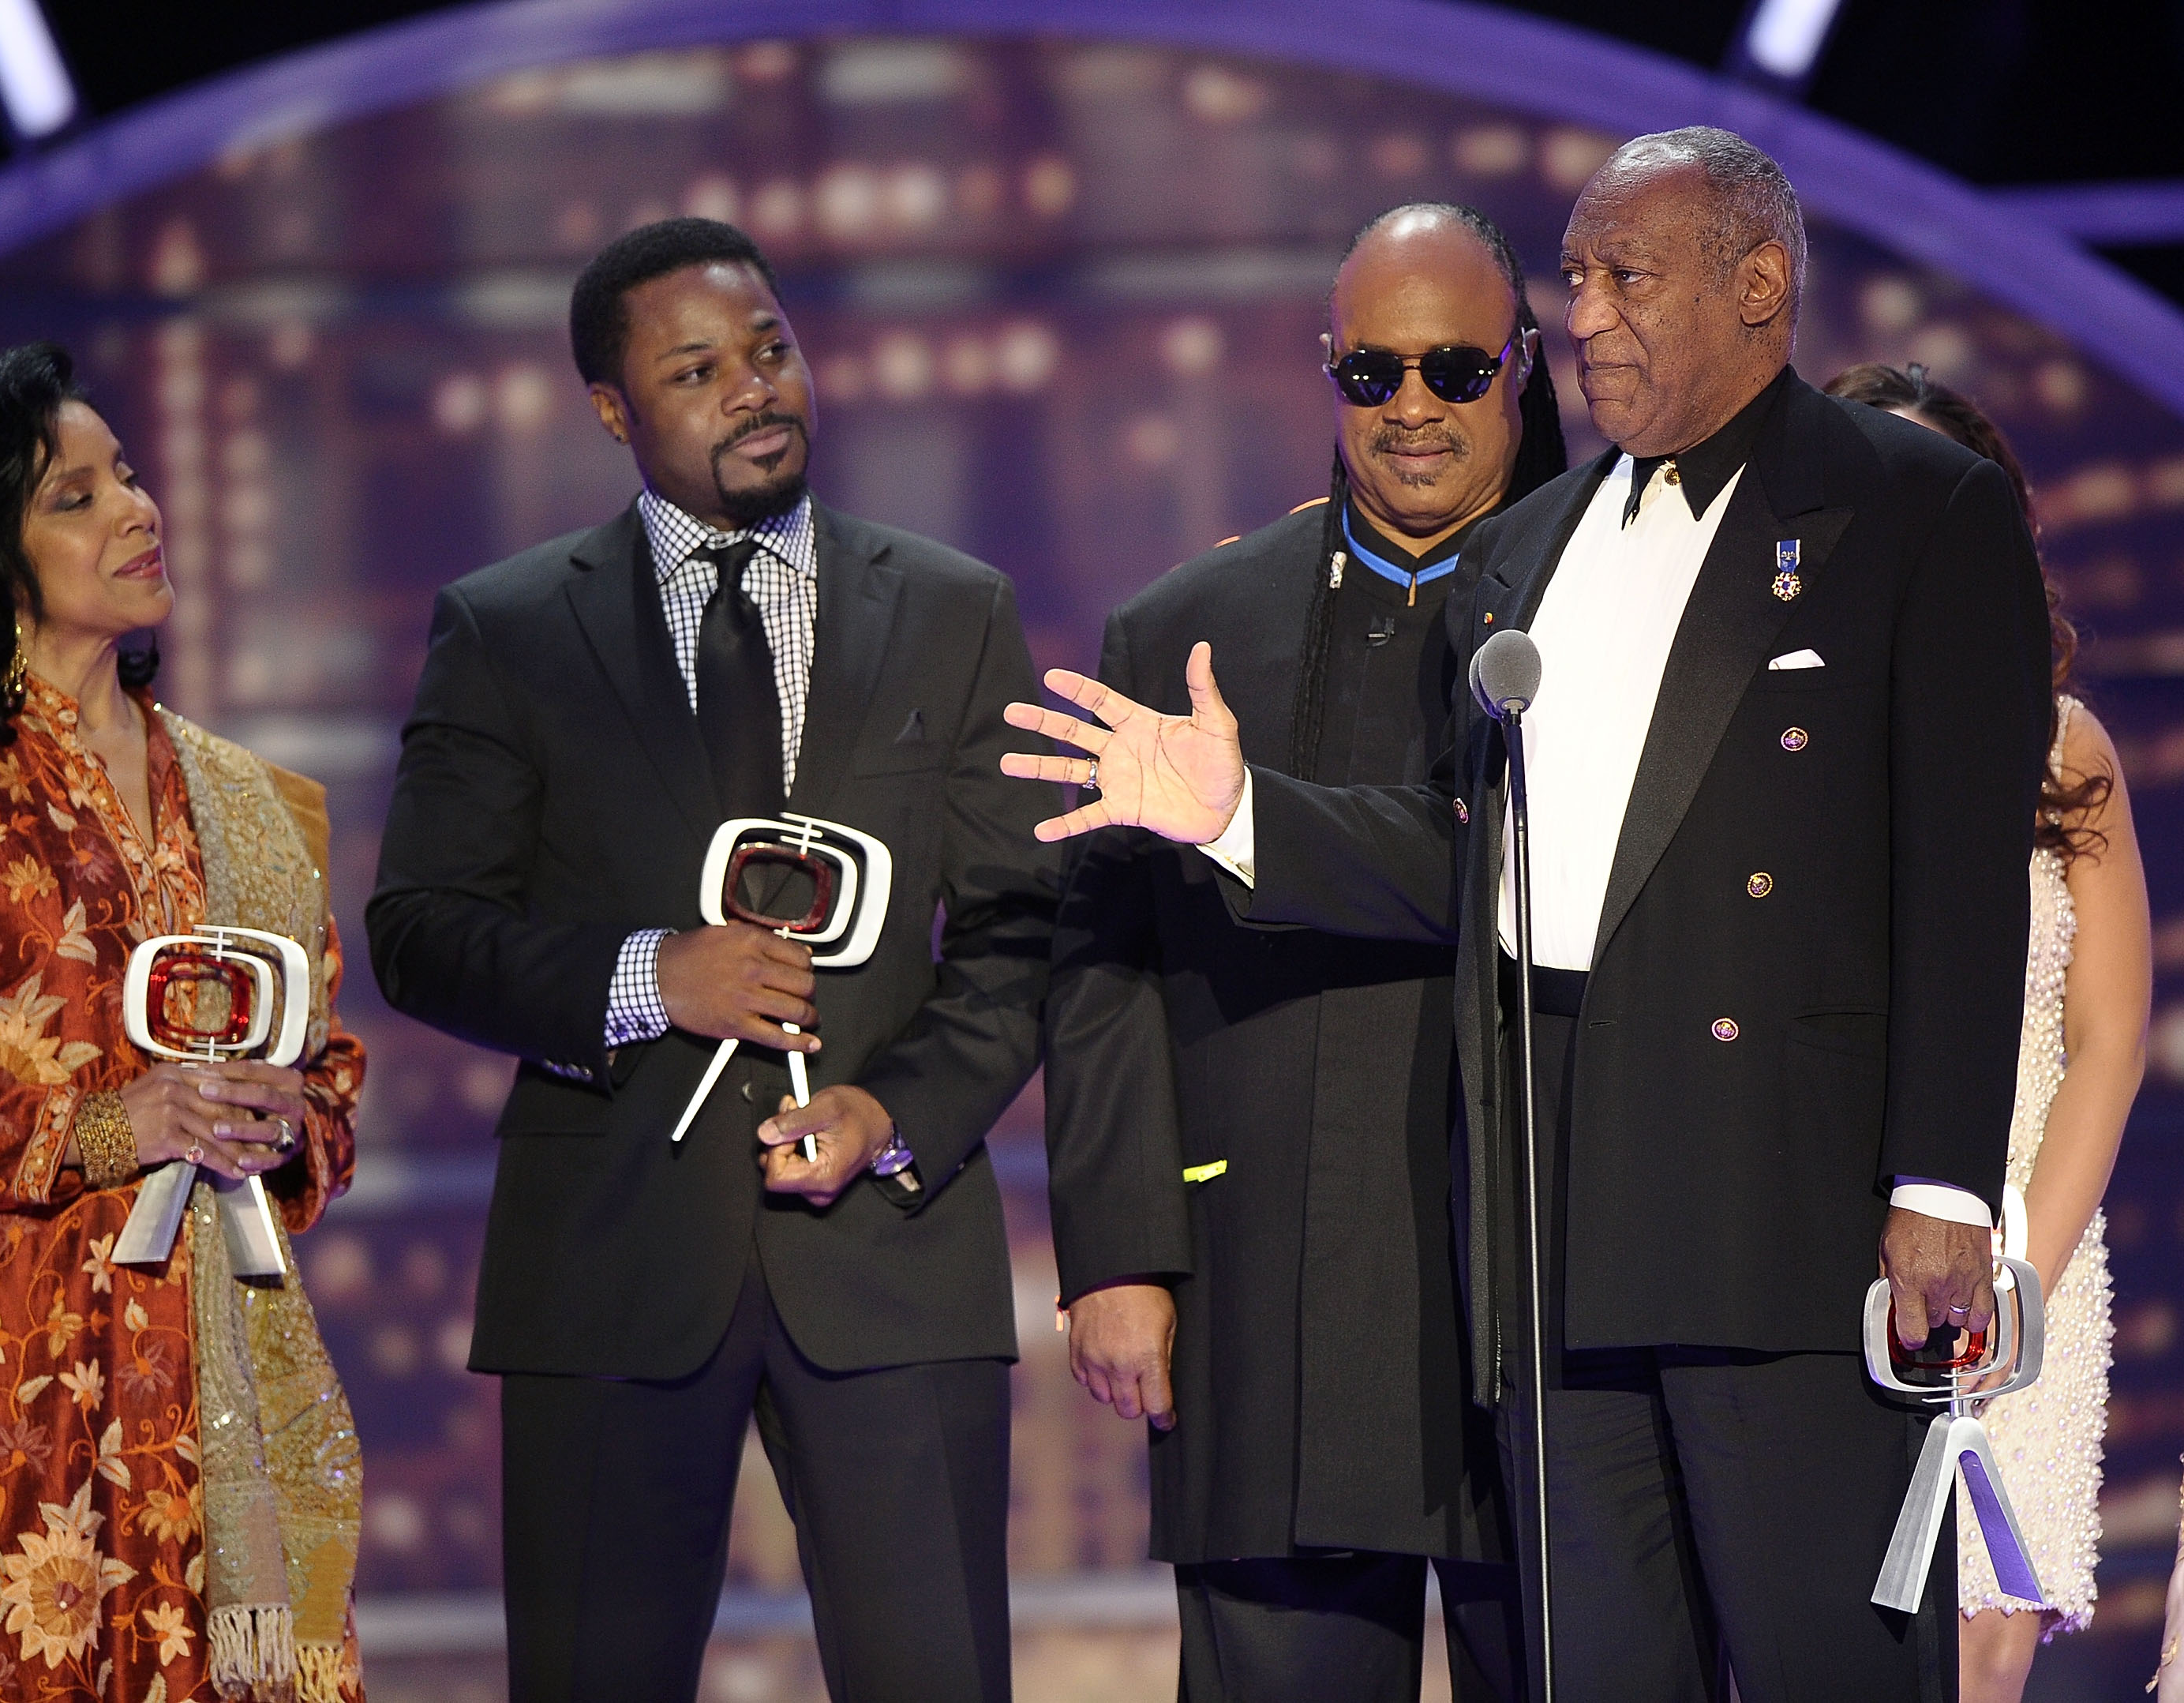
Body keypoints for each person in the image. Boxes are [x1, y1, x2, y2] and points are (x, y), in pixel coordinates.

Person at [1002, 127, 2051, 1702]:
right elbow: (1469, 856)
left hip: (1774, 1216)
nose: (1590, 316)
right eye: (1579, 279)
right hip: (1535, 1245)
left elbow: (1962, 879)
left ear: (1760, 284)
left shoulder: (1908, 505)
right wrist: (1236, 813)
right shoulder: (1524, 552)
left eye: (1628, 278)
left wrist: (1942, 1186)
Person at [366, 217, 1057, 1702]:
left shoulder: (953, 609)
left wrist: (896, 1112)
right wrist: (648, 978)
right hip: (609, 1265)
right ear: (612, 410)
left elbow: (1020, 931)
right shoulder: (510, 629)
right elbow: (420, 931)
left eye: (770, 350)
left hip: (889, 1259)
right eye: (696, 371)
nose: (754, 388)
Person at [1044, 202, 1564, 1703]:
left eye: (1456, 371)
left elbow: (1535, 880)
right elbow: (1102, 964)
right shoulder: (1190, 625)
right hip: (1263, 1291)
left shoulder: (1602, 603)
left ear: (1523, 368)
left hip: (1546, 1295)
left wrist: (1250, 821)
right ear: (1329, 369)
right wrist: (1120, 1253)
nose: (1413, 408)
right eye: (1373, 373)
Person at [0, 343, 366, 1703]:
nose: (137, 507)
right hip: (1, 1408)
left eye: (126, 472)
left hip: (221, 1398)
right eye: (76, 495)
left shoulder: (249, 802)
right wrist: (98, 1127)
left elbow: (330, 1070)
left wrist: (288, 1119)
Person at [1824, 365, 2148, 1698]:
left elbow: (2108, 1041)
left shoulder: (2061, 747)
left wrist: (2017, 1279)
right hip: (1823, 1278)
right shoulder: (1781, 749)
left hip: (2018, 1264)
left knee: (1977, 1642)